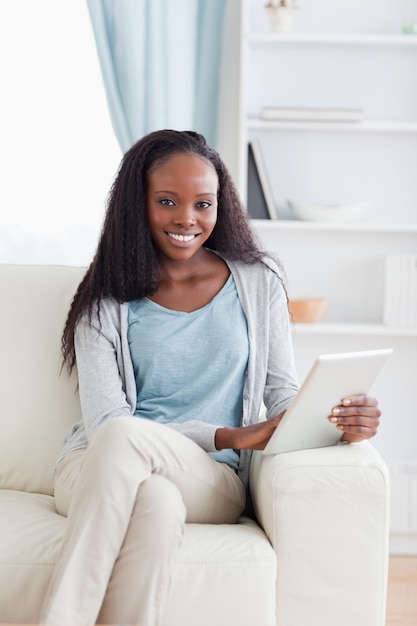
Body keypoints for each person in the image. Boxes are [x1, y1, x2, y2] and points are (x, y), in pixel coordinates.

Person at [40, 129, 381, 626]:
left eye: (203, 203)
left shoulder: (259, 283)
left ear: (220, 205)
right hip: (94, 467)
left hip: (209, 475)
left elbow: (282, 393)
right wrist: (231, 434)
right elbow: (106, 424)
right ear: (138, 205)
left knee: (138, 456)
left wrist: (339, 422)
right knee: (152, 501)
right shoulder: (104, 299)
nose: (187, 218)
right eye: (167, 201)